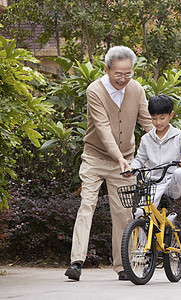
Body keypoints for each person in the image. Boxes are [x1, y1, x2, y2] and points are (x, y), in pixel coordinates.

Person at [65, 46, 153, 281]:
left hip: (125, 162)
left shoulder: (136, 89)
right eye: (118, 74)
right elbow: (102, 128)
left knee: (123, 213)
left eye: (128, 74)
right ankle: (76, 262)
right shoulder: (95, 90)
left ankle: (122, 265)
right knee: (87, 205)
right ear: (107, 70)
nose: (124, 79)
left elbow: (147, 122)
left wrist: (167, 145)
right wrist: (118, 158)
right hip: (95, 157)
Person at [124, 94, 181, 224]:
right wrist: (132, 169)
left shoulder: (179, 136)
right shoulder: (146, 139)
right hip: (153, 185)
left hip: (171, 184)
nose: (158, 122)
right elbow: (139, 159)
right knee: (141, 214)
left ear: (171, 115)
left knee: (180, 172)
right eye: (154, 118)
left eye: (162, 118)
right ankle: (141, 244)